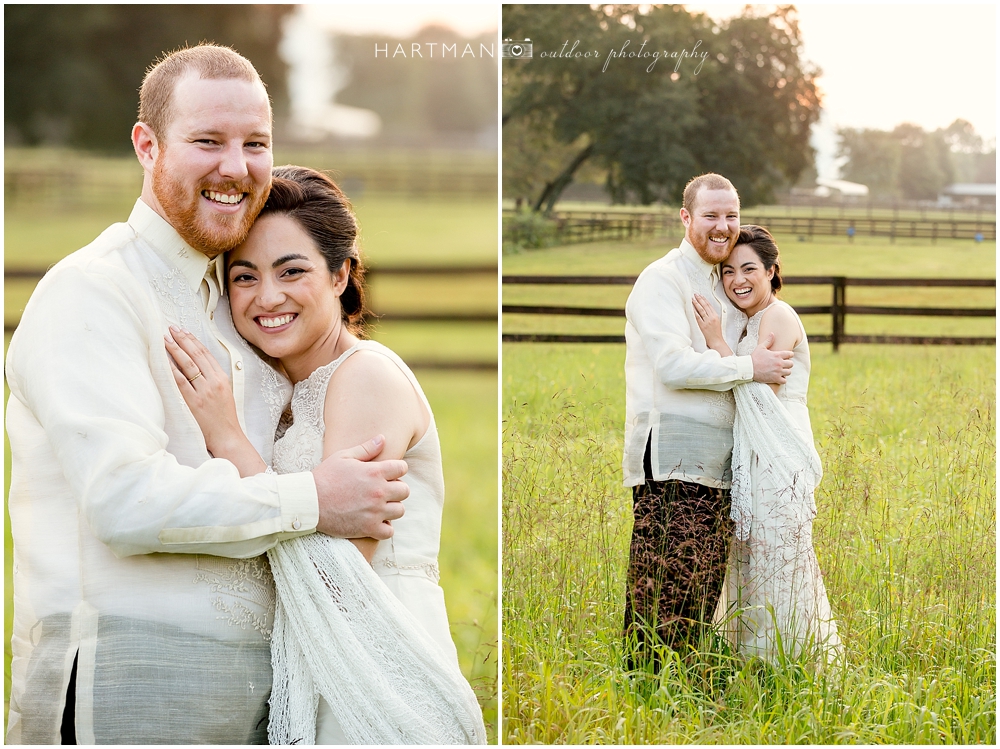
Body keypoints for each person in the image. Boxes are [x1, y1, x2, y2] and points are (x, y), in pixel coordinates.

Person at [4, 45, 409, 745]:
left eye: (256, 143)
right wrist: (315, 497)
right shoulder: (93, 289)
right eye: (208, 141)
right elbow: (123, 499)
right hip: (125, 690)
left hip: (257, 705)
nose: (236, 167)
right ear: (147, 145)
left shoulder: (237, 304)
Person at [164, 165, 486, 744]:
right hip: (320, 668)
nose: (268, 297)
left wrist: (227, 437)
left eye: (293, 271)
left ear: (341, 275)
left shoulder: (366, 377)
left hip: (377, 673)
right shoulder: (284, 390)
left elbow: (338, 585)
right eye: (244, 277)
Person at [621, 173, 794, 666]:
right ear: (686, 218)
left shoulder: (719, 283)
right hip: (674, 458)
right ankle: (646, 692)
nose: (723, 226)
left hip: (719, 465)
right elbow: (672, 365)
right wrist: (749, 367)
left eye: (731, 216)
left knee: (700, 592)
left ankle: (686, 687)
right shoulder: (662, 280)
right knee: (661, 591)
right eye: (712, 215)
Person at [692, 225, 842, 665]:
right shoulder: (748, 319)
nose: (737, 279)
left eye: (749, 269)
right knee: (752, 554)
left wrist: (717, 343)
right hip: (752, 451)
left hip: (776, 447)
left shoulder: (777, 316)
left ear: (772, 271)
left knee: (778, 552)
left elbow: (761, 392)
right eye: (728, 271)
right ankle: (749, 659)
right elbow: (746, 373)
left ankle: (786, 661)